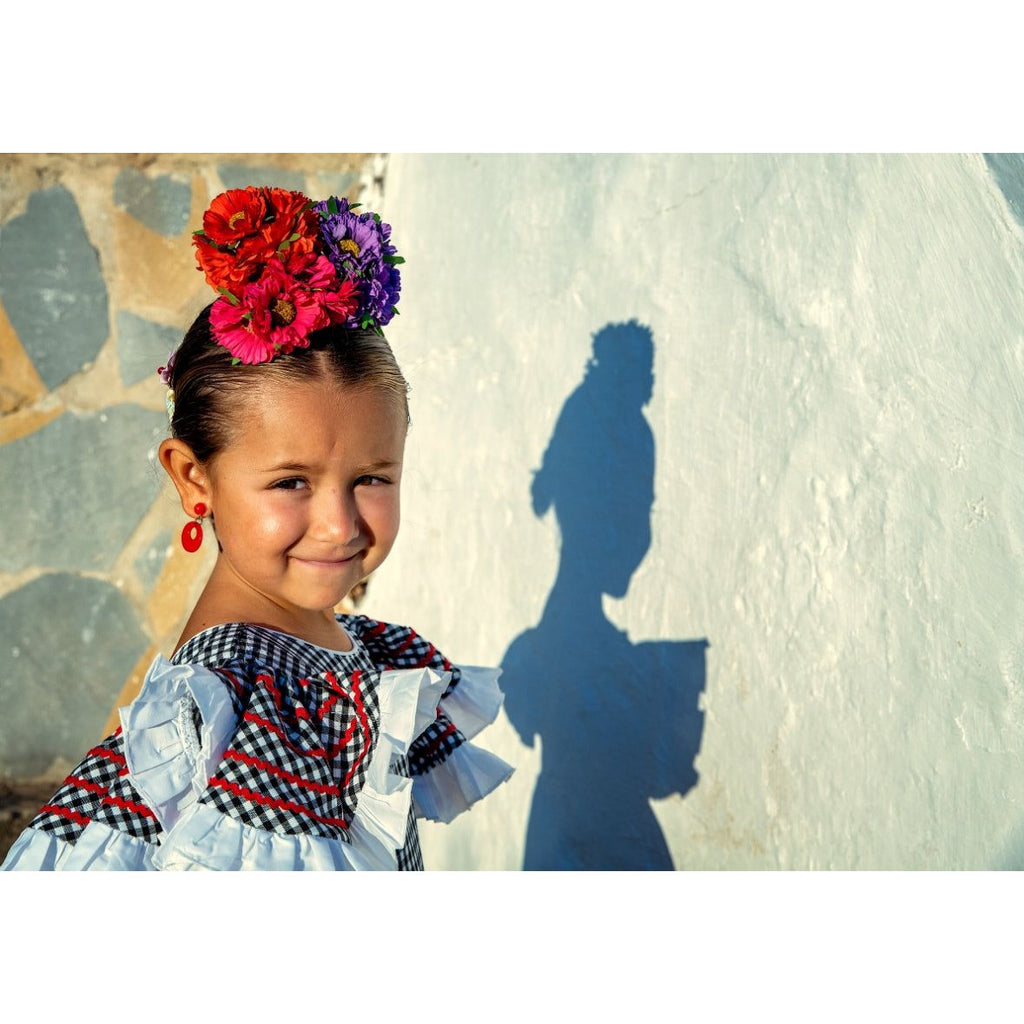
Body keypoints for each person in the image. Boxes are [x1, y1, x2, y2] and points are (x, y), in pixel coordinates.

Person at [1, 186, 513, 871]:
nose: (338, 524)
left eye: (372, 478)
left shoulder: (343, 660)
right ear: (193, 479)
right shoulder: (238, 715)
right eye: (290, 483)